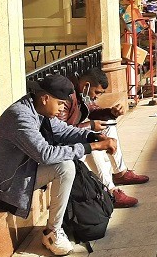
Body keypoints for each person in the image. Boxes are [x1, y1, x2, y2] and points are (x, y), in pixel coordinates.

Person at [0, 74, 118, 256]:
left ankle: (55, 228)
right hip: (4, 184)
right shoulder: (21, 116)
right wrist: (92, 146)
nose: (62, 108)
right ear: (45, 98)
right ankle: (52, 232)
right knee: (65, 167)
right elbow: (45, 154)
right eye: (60, 103)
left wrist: (91, 136)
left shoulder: (37, 108)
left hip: (21, 170)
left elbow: (61, 130)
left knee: (67, 162)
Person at [59, 68, 149, 208]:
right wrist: (90, 126)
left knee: (108, 125)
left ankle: (120, 172)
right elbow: (61, 131)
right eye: (97, 92)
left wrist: (110, 112)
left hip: (73, 133)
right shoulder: (66, 96)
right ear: (87, 85)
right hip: (61, 145)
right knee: (93, 143)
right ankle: (110, 191)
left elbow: (93, 110)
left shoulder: (81, 92)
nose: (96, 97)